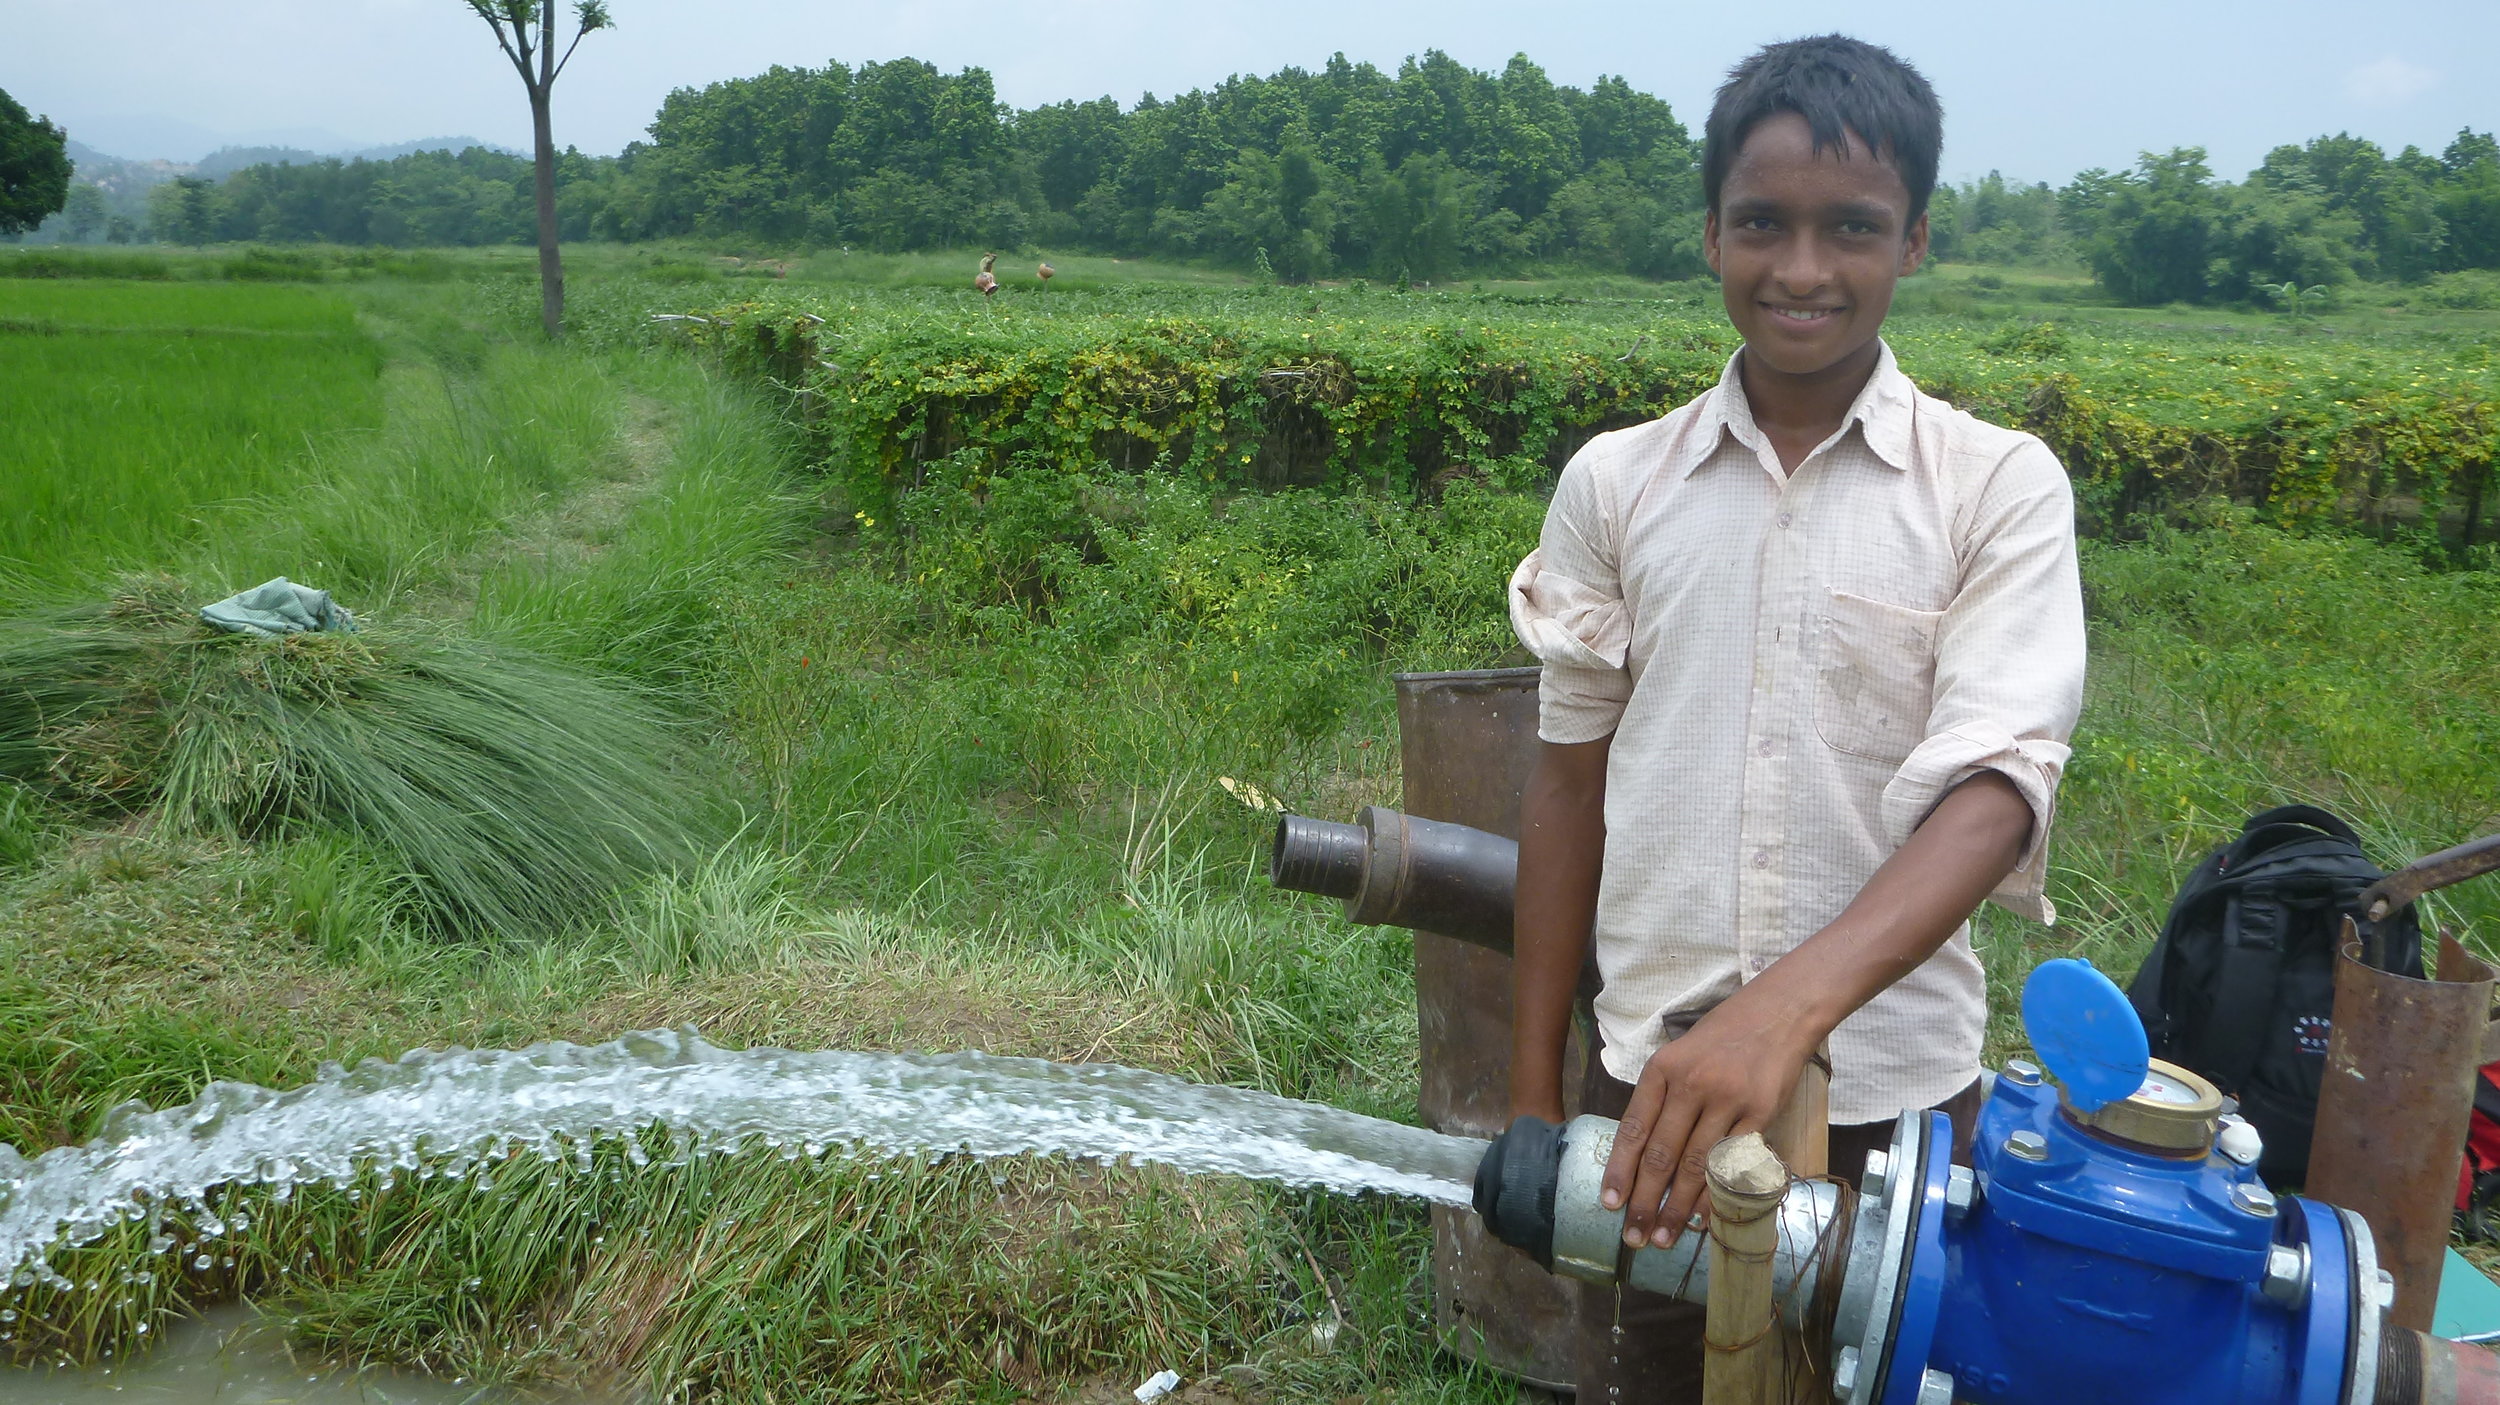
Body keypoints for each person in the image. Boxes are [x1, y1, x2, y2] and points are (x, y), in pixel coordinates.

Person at [1503, 34, 2085, 1400]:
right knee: (1668, 1372)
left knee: (1883, 1376)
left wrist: (1781, 1013)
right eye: (1764, 222)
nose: (1804, 269)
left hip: (1897, 1099)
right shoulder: (1619, 483)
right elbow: (1566, 789)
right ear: (1710, 232)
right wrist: (1534, 1091)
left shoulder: (1994, 488)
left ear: (1918, 241)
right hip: (1655, 1094)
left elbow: (1996, 791)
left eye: (1853, 228)